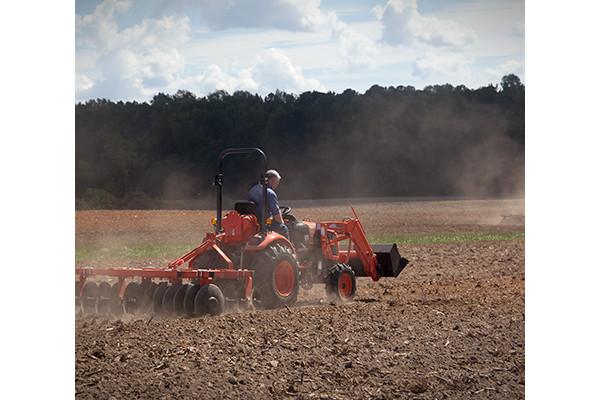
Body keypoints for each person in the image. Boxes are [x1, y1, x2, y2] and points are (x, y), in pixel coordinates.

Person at [247, 169, 289, 239]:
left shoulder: (253, 189)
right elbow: (277, 216)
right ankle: (288, 249)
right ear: (272, 181)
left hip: (253, 223)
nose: (276, 185)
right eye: (277, 182)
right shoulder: (270, 193)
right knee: (284, 228)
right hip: (265, 224)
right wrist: (282, 223)